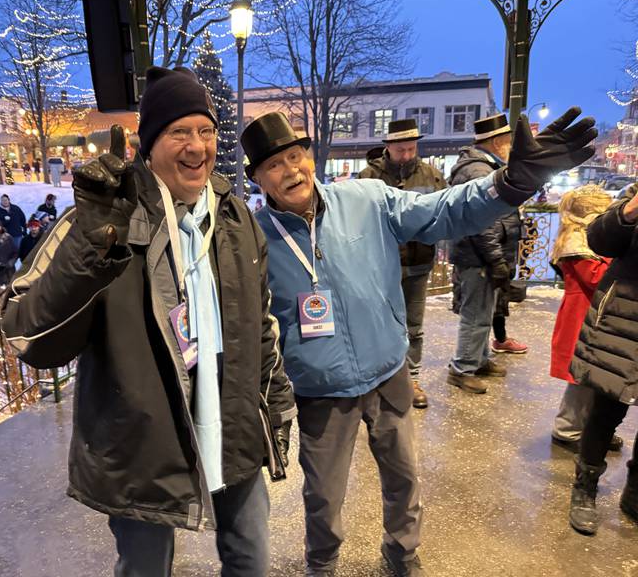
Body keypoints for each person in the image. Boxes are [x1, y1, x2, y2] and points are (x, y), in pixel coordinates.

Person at [242, 108, 596, 577]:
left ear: (310, 158)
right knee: (324, 495)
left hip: (389, 371)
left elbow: (446, 209)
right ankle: (321, 565)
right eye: (274, 165)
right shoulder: (254, 239)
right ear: (260, 181)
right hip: (321, 390)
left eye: (295, 156)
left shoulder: (366, 198)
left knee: (404, 479)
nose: (290, 171)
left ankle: (402, 555)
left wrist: (510, 183)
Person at [1, 67, 295, 576]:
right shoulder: (102, 220)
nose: (197, 146)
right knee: (145, 570)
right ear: (149, 144)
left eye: (205, 131)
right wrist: (93, 242)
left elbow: (263, 326)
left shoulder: (235, 218)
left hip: (234, 432)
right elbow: (28, 334)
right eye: (179, 132)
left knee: (252, 560)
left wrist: (277, 408)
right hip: (142, 450)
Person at [359, 118, 447, 409]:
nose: (407, 155)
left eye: (411, 149)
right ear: (388, 147)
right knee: (378, 322)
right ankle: (379, 377)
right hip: (381, 266)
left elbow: (442, 215)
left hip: (418, 265)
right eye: (401, 150)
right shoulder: (368, 177)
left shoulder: (431, 176)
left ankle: (412, 379)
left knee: (414, 326)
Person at [567, 183, 638, 535]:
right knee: (607, 408)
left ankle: (635, 494)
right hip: (625, 316)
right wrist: (631, 210)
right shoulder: (634, 195)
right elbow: (598, 239)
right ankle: (584, 489)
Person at [447, 113, 527, 395]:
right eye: (507, 141)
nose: (509, 146)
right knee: (476, 314)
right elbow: (481, 223)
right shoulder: (479, 172)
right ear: (496, 142)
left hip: (480, 254)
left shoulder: (484, 167)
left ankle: (478, 359)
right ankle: (462, 368)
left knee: (483, 311)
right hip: (477, 256)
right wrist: (495, 259)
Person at [549, 185, 622, 453]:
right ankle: (567, 429)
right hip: (581, 315)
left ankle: (591, 429)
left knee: (595, 378)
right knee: (581, 380)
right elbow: (596, 277)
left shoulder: (581, 237)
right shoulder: (576, 242)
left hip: (593, 314)